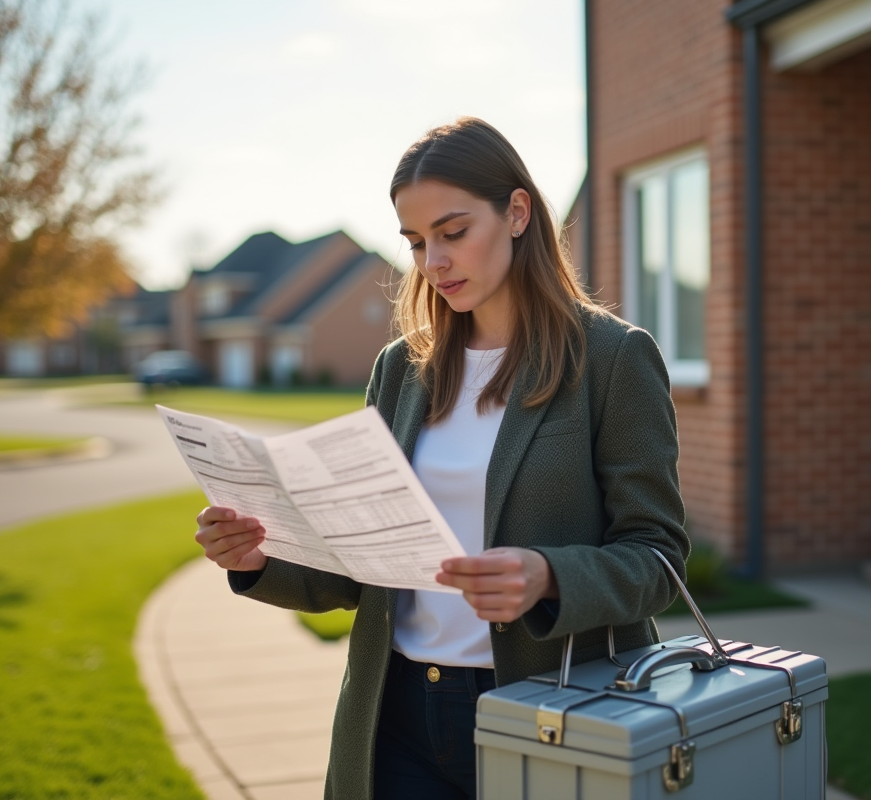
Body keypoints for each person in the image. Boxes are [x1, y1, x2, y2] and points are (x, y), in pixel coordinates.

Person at [193, 117, 689, 800]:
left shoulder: (611, 359)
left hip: (554, 712)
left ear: (517, 213)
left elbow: (658, 556)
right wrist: (256, 559)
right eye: (416, 242)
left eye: (453, 233)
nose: (433, 263)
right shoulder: (401, 368)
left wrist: (549, 576)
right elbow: (355, 566)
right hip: (396, 715)